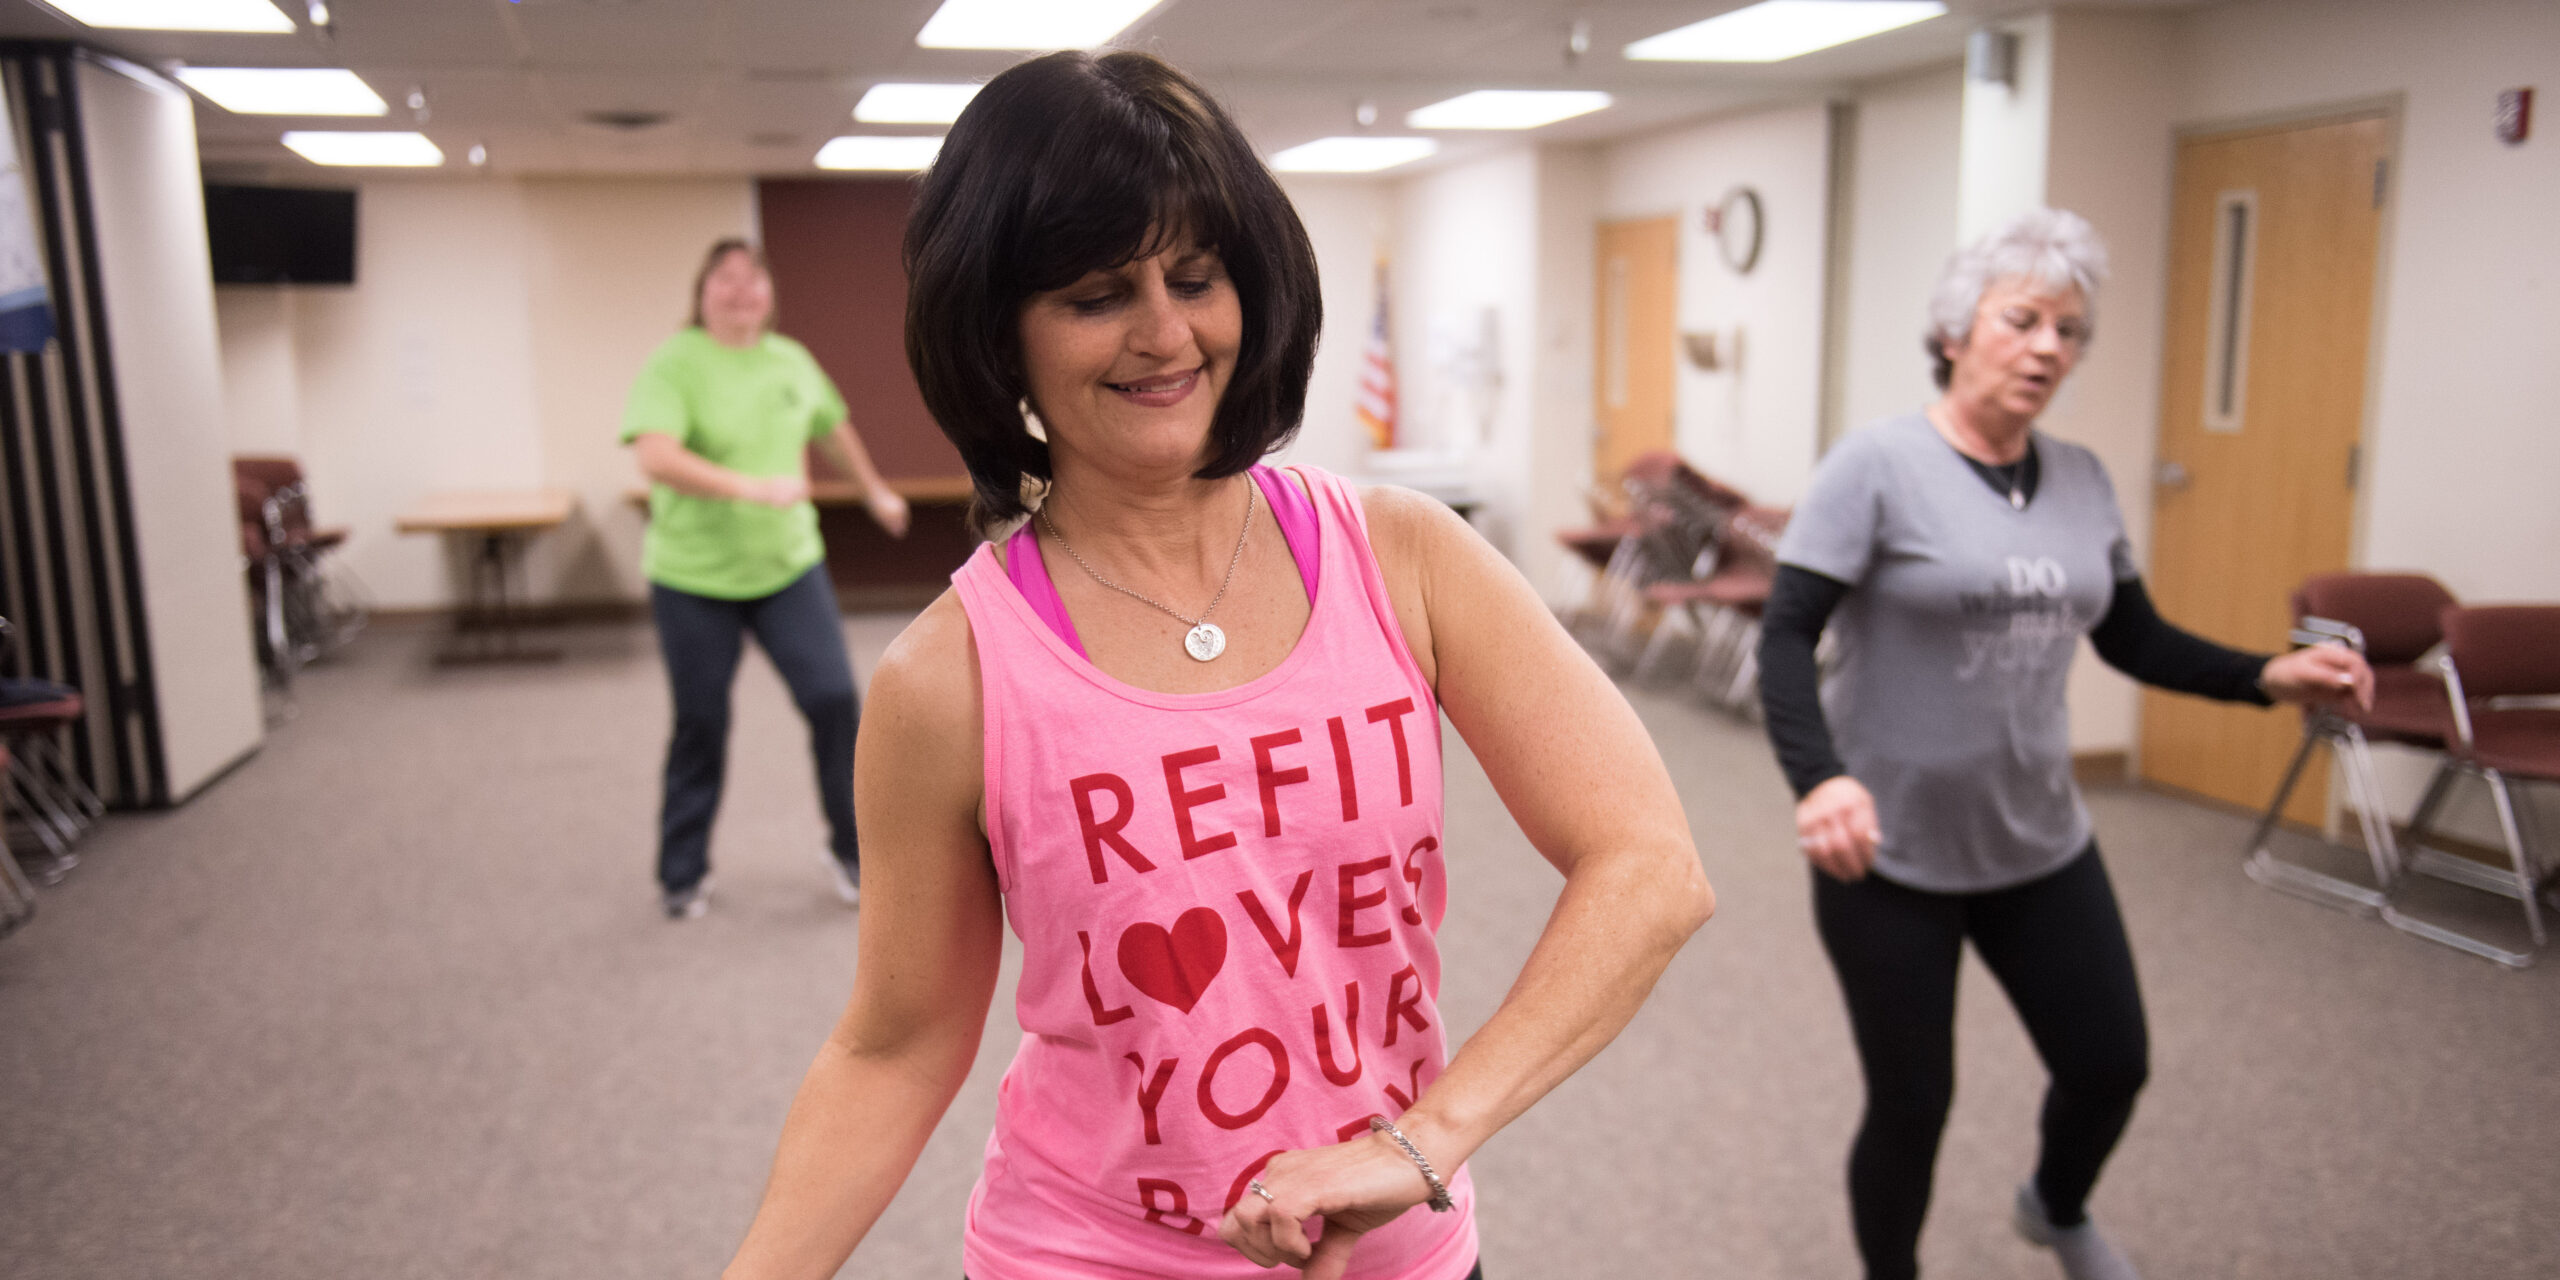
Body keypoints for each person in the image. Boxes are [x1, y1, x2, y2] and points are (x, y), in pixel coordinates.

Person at [719, 51, 1714, 1280]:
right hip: (1079, 1255)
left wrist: (1419, 1142)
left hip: (1398, 1252)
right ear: (999, 335)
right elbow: (898, 1042)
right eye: (1095, 295)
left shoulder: (1401, 556)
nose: (1166, 333)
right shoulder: (952, 675)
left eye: (1195, 277)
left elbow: (1650, 866)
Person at [1755, 208, 2372, 1280]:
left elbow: (2131, 635)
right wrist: (1820, 781)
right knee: (1912, 1101)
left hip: (2038, 835)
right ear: (1955, 332)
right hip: (1886, 849)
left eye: (2069, 330)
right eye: (2023, 319)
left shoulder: (2080, 478)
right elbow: (1784, 634)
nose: (2048, 346)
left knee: (2109, 1061)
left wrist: (2263, 675)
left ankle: (2054, 1202)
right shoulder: (1877, 467)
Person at [622, 238, 911, 920]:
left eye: (754, 279)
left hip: (788, 569)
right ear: (702, 293)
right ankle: (682, 872)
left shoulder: (791, 361)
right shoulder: (676, 363)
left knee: (835, 700)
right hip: (694, 577)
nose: (742, 290)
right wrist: (747, 488)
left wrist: (873, 491)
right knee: (701, 721)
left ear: (769, 296)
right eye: (725, 278)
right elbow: (655, 456)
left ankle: (851, 850)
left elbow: (834, 430)